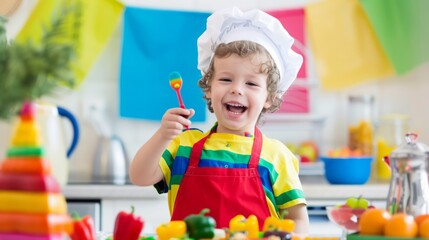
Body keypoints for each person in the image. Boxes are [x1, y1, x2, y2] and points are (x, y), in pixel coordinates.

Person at [129, 7, 309, 233]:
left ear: (270, 98)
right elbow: (139, 176)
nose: (237, 90)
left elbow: (298, 221)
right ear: (208, 89)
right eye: (226, 79)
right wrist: (163, 135)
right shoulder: (184, 144)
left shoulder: (277, 156)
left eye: (251, 84)